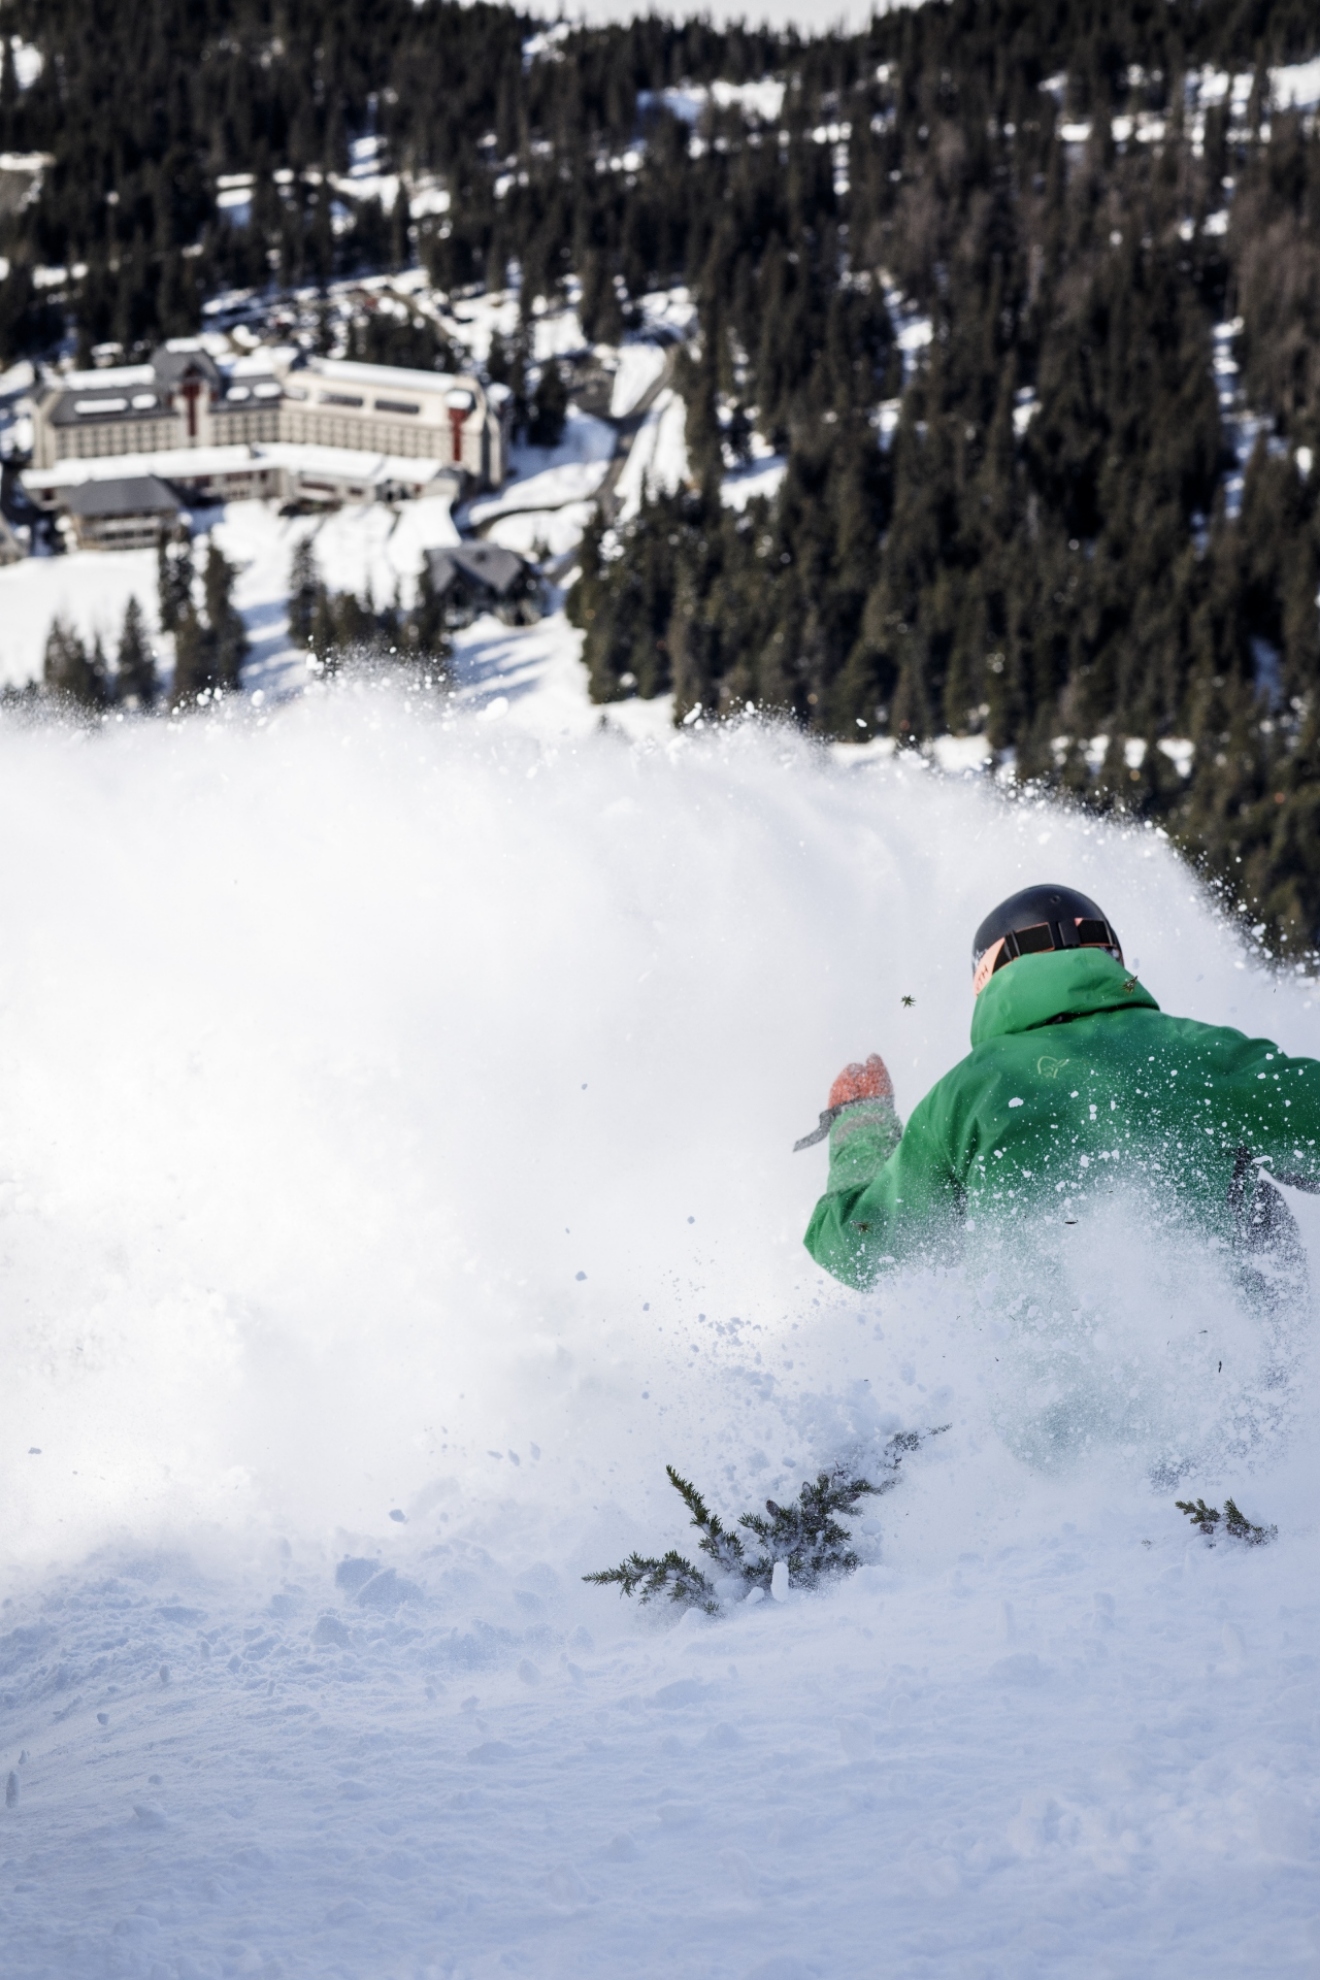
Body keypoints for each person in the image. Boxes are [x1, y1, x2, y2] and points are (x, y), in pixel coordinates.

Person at [800, 883, 1320, 1292]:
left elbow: (864, 1251)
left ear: (987, 977)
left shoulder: (964, 1094)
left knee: (956, 1248)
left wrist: (860, 1123)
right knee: (1251, 1195)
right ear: (1111, 960)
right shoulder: (1208, 1055)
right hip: (1226, 1391)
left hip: (1027, 1412)